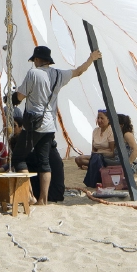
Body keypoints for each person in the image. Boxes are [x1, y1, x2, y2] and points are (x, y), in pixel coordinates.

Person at [14, 44, 101, 206]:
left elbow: (19, 96)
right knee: (44, 162)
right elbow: (78, 71)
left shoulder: (33, 73)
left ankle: (30, 195)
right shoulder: (58, 74)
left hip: (33, 125)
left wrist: (11, 98)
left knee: (19, 158)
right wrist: (91, 58)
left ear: (37, 59)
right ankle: (43, 199)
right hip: (49, 125)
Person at [84, 113, 137, 188]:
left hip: (123, 162)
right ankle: (94, 179)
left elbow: (136, 150)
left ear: (121, 125)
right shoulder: (118, 134)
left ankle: (94, 181)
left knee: (98, 158)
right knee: (96, 157)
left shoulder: (127, 134)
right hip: (118, 159)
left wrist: (128, 164)